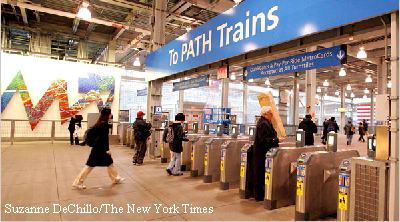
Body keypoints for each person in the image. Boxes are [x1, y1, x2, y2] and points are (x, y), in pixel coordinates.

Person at [72, 108, 125, 189]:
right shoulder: (104, 125)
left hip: (98, 148)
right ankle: (78, 182)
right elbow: (104, 139)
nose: (111, 115)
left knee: (109, 163)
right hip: (99, 149)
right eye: (110, 114)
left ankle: (116, 178)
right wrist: (107, 149)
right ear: (107, 115)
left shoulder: (100, 123)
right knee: (89, 166)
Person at [252, 106, 283, 201]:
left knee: (261, 174)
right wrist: (277, 140)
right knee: (260, 174)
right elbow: (263, 140)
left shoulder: (266, 122)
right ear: (265, 114)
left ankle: (261, 194)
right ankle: (259, 195)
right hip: (262, 153)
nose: (272, 114)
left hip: (263, 153)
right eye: (270, 113)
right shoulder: (263, 124)